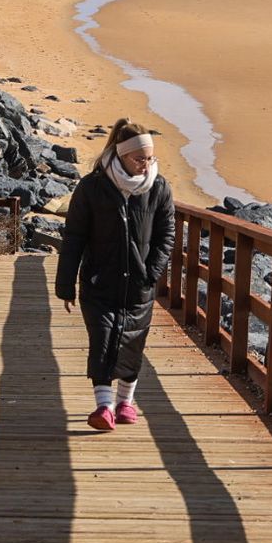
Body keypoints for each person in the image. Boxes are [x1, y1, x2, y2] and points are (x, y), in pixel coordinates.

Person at [55, 119, 175, 431]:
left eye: (149, 158)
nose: (145, 165)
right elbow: (74, 237)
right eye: (139, 158)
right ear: (121, 155)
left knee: (133, 341)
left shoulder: (159, 188)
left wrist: (152, 273)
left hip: (140, 283)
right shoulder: (93, 187)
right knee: (103, 340)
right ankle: (104, 407)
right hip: (100, 280)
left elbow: (167, 236)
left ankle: (126, 403)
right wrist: (65, 284)